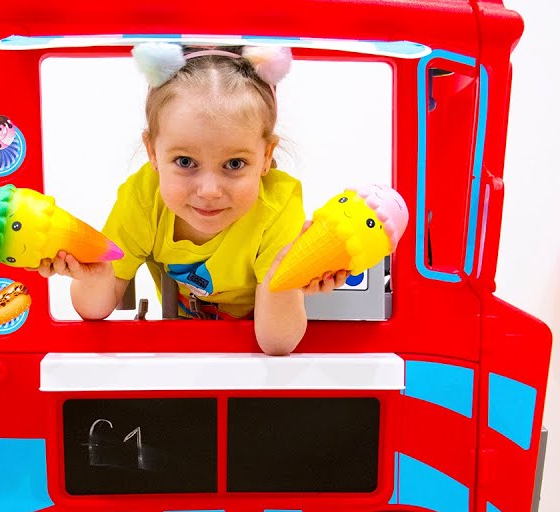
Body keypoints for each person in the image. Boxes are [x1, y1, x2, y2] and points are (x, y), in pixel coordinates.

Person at [38, 43, 348, 355]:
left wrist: (281, 276)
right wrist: (95, 277)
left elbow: (277, 343)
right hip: (185, 353)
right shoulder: (144, 198)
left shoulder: (278, 206)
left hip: (252, 356)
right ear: (152, 152)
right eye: (186, 162)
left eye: (234, 164)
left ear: (266, 156)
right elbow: (94, 308)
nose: (209, 190)